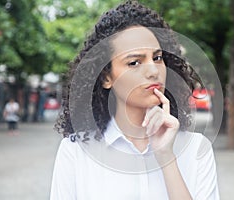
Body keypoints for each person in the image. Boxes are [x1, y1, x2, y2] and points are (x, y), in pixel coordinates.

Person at [51, 1, 220, 199]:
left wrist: (166, 157)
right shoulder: (75, 151)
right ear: (107, 77)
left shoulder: (196, 149)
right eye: (134, 62)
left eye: (157, 58)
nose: (153, 70)